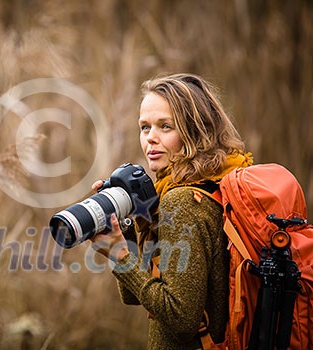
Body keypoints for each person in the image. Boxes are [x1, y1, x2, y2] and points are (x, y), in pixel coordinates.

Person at [90, 73, 253, 349]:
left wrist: (120, 257)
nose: (151, 138)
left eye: (165, 127)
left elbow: (180, 317)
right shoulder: (212, 183)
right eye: (144, 127)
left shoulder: (183, 201)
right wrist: (125, 229)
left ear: (195, 131)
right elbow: (136, 294)